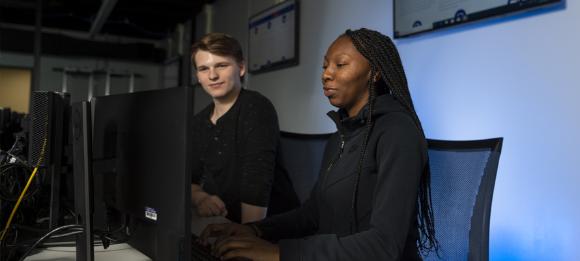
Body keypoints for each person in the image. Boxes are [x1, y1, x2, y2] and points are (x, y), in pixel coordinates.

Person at [198, 28, 439, 260]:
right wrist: (255, 231)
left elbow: (384, 246)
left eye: (340, 65)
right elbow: (312, 214)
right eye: (325, 66)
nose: (326, 74)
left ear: (374, 73)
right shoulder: (341, 136)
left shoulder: (397, 132)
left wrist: (280, 253)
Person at [191, 33, 299, 224]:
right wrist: (202, 198)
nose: (212, 75)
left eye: (221, 65)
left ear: (241, 68)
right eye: (203, 69)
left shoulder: (256, 107)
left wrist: (246, 239)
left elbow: (256, 185)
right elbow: (189, 179)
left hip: (271, 226)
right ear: (198, 76)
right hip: (226, 223)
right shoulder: (199, 121)